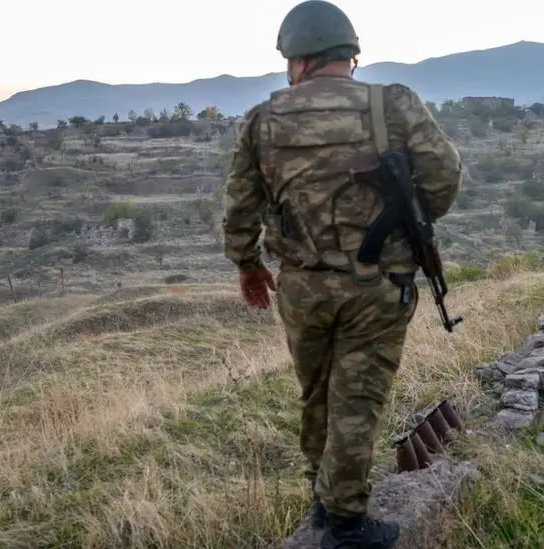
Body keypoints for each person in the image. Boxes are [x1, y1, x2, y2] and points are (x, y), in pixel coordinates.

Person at [221, 1, 463, 547]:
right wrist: (408, 216)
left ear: (297, 60)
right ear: (349, 55)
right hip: (378, 285)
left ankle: (325, 500)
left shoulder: (263, 119)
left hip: (301, 287)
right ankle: (346, 525)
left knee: (318, 393)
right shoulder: (392, 105)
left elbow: (240, 206)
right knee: (358, 398)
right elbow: (444, 180)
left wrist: (247, 264)